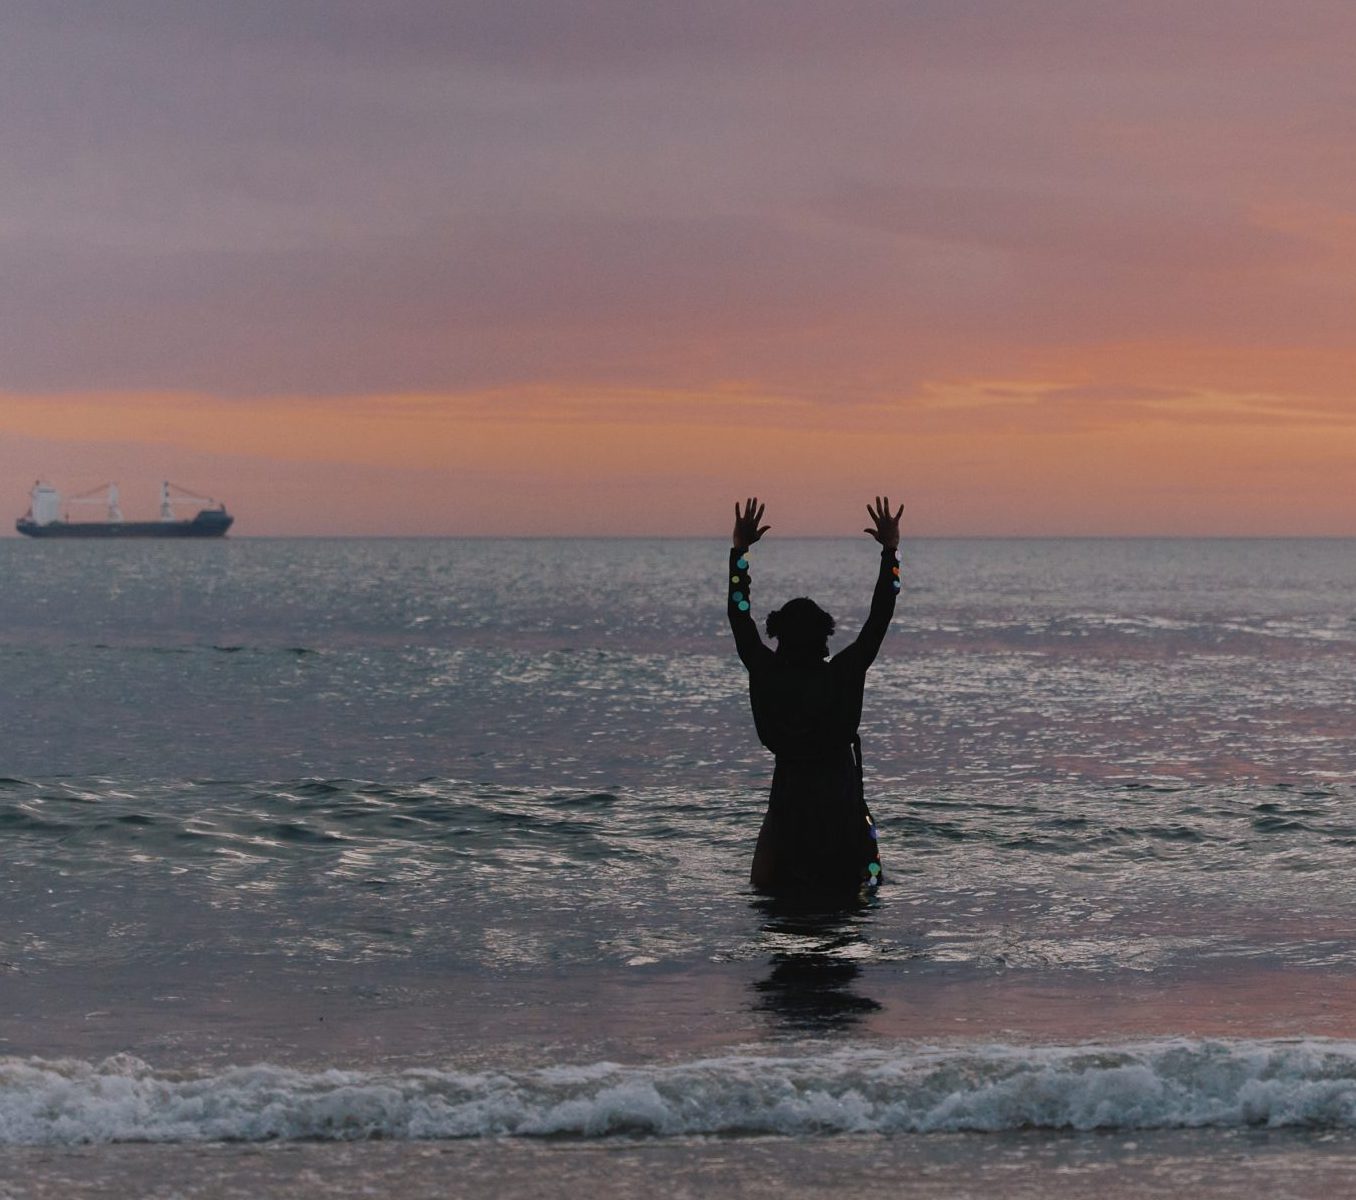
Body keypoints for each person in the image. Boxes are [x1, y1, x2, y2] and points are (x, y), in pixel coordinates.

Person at [727, 496, 902, 895]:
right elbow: (881, 615)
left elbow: (738, 614)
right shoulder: (843, 672)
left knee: (771, 899)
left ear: (778, 639)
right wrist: (890, 552)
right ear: (825, 641)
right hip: (842, 808)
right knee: (867, 885)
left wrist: (740, 553)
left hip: (787, 809)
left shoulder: (766, 671)